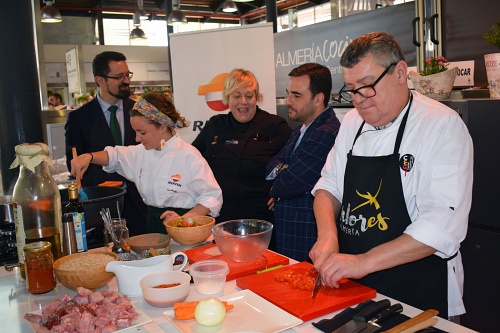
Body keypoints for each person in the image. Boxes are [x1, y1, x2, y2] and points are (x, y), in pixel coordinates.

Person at [310, 32, 473, 319]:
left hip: (418, 290)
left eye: (367, 86)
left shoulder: (442, 126)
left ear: (400, 72)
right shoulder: (351, 122)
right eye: (351, 89)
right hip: (354, 286)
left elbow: (442, 226)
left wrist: (364, 261)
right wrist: (327, 235)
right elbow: (329, 187)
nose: (359, 100)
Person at [71, 92, 223, 234]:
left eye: (142, 133)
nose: (137, 139)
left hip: (186, 231)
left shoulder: (189, 156)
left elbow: (212, 196)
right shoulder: (141, 152)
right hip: (153, 228)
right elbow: (115, 156)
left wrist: (183, 220)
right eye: (135, 132)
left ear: (162, 127)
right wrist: (89, 157)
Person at [192, 68, 292, 250]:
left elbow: (296, 164)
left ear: (257, 97)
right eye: (236, 96)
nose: (243, 102)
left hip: (260, 220)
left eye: (249, 95)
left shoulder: (276, 126)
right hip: (221, 218)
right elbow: (191, 160)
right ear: (227, 98)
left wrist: (281, 191)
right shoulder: (215, 125)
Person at [65, 51, 147, 236]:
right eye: (119, 77)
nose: (126, 81)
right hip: (102, 208)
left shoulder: (140, 111)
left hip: (141, 203)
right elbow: (75, 161)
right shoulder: (80, 118)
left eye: (127, 74)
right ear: (100, 80)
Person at [266, 63, 341, 262]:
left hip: (307, 237)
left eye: (296, 95)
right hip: (292, 233)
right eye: (287, 93)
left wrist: (279, 185)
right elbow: (271, 165)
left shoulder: (326, 132)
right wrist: (284, 172)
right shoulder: (301, 129)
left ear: (318, 99)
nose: (288, 101)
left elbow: (288, 184)